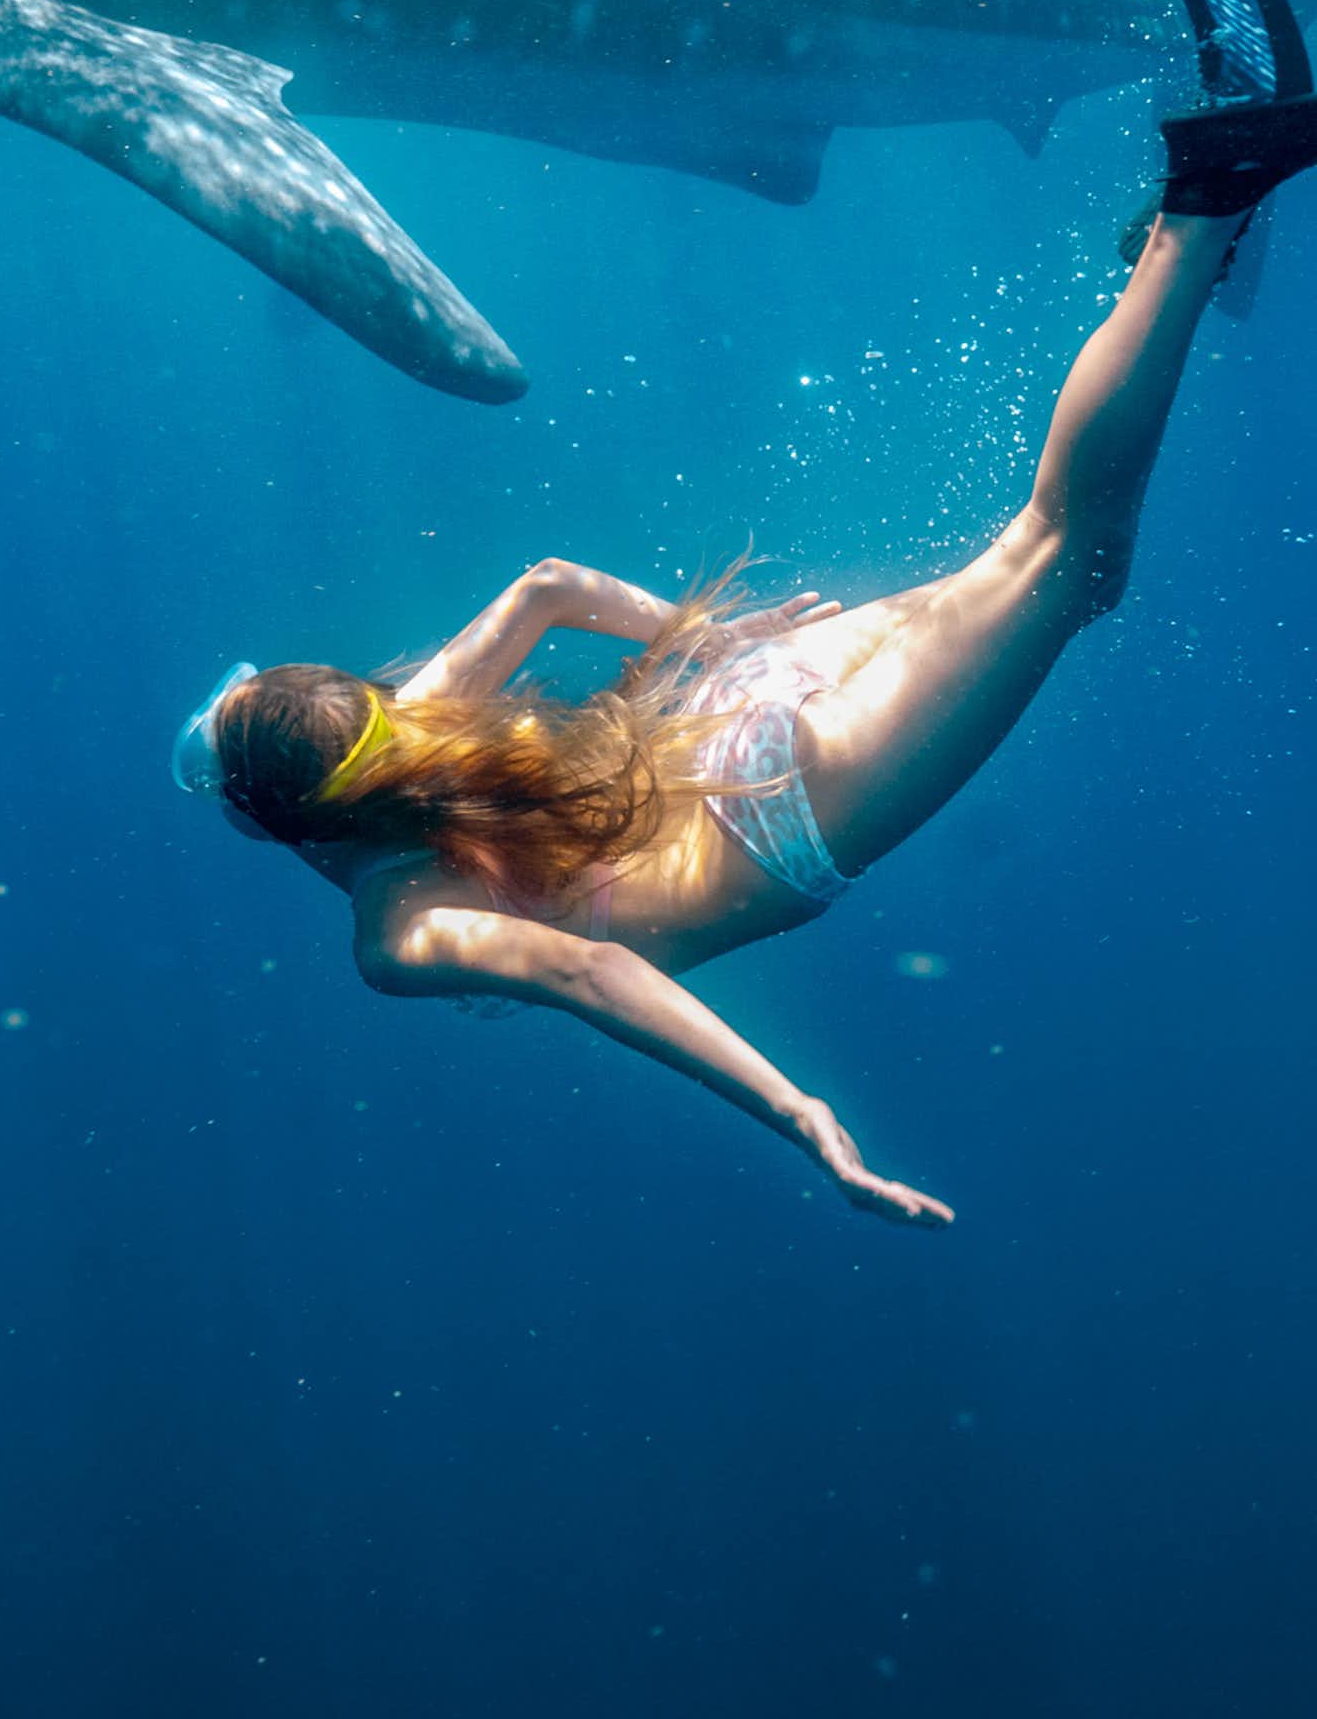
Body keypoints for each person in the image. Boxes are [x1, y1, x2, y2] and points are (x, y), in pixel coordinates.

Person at [173, 105, 1317, 1228]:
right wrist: (715, 640)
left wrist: (797, 1109)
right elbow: (549, 584)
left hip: (787, 807)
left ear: (276, 819)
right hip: (736, 703)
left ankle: (1200, 208)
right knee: (1040, 562)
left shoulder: (395, 932)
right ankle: (1165, 278)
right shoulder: (414, 721)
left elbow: (592, 977)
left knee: (1060, 556)